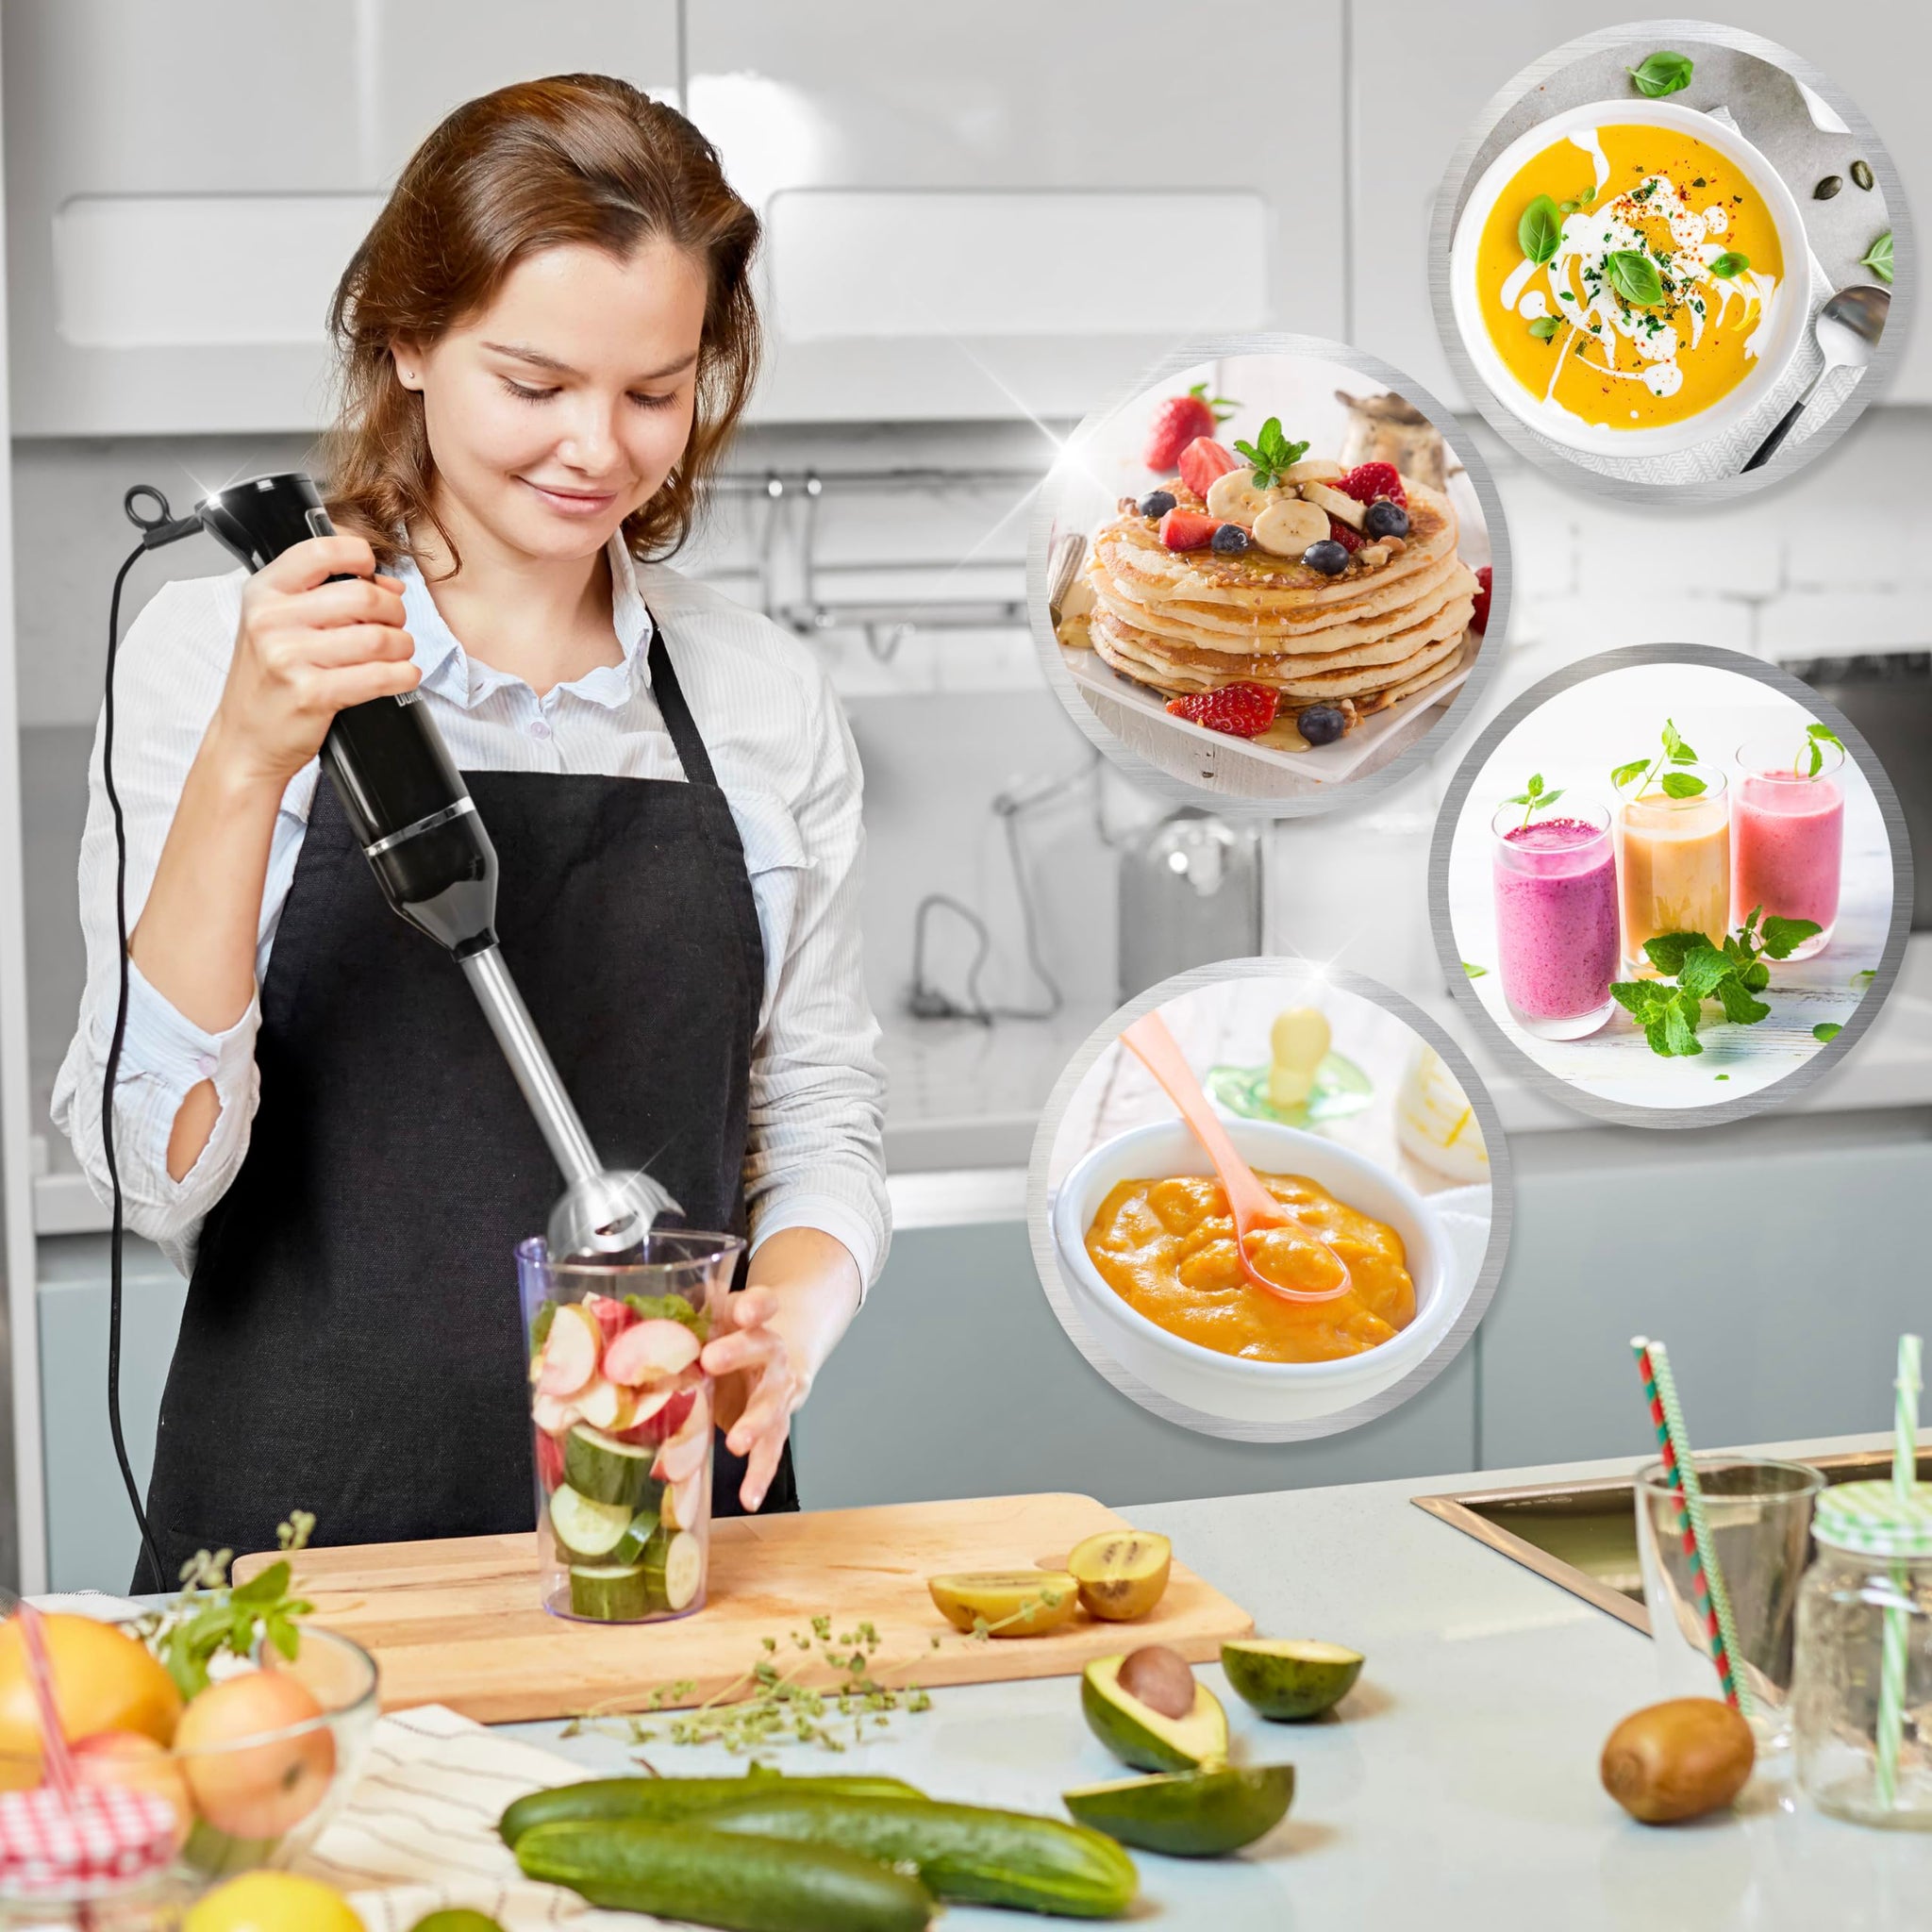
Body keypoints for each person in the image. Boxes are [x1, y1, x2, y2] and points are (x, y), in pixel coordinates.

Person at [53, 75, 888, 1587]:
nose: (598, 449)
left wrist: (801, 1312)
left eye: (655, 391)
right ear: (409, 340)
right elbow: (149, 1171)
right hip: (299, 1562)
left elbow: (817, 1117)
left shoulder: (759, 693)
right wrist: (250, 754)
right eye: (535, 383)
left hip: (666, 1544)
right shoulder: (215, 650)